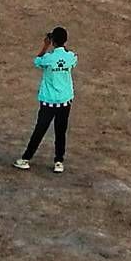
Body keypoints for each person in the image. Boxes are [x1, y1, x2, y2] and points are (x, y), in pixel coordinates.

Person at [14, 27, 76, 173]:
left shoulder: (49, 58)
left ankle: (26, 158)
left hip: (49, 100)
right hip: (65, 100)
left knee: (40, 130)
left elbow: (37, 61)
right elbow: (72, 60)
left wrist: (45, 46)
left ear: (52, 40)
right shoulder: (71, 56)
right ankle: (59, 161)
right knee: (61, 131)